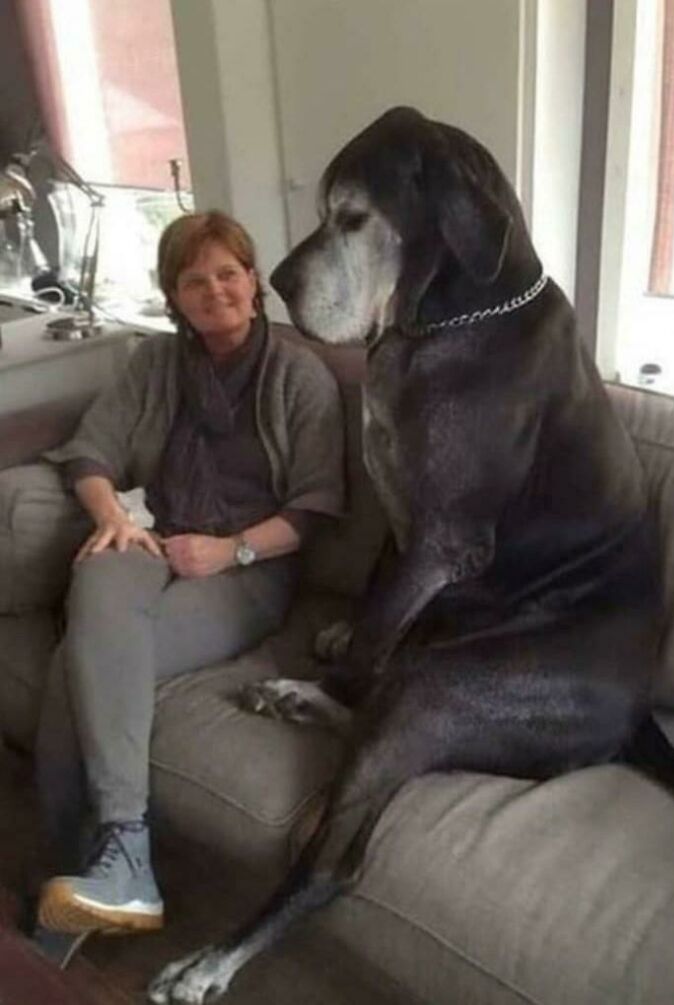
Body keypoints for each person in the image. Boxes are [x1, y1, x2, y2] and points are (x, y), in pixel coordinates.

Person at [34, 211, 345, 936]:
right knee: (98, 577)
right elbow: (90, 451)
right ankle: (117, 862)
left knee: (77, 664)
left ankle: (85, 871)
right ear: (174, 297)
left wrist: (230, 549)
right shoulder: (156, 363)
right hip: (157, 534)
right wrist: (112, 515)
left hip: (249, 567)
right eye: (194, 281)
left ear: (254, 281)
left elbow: (316, 508)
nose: (215, 292)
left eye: (228, 274)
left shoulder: (299, 375)